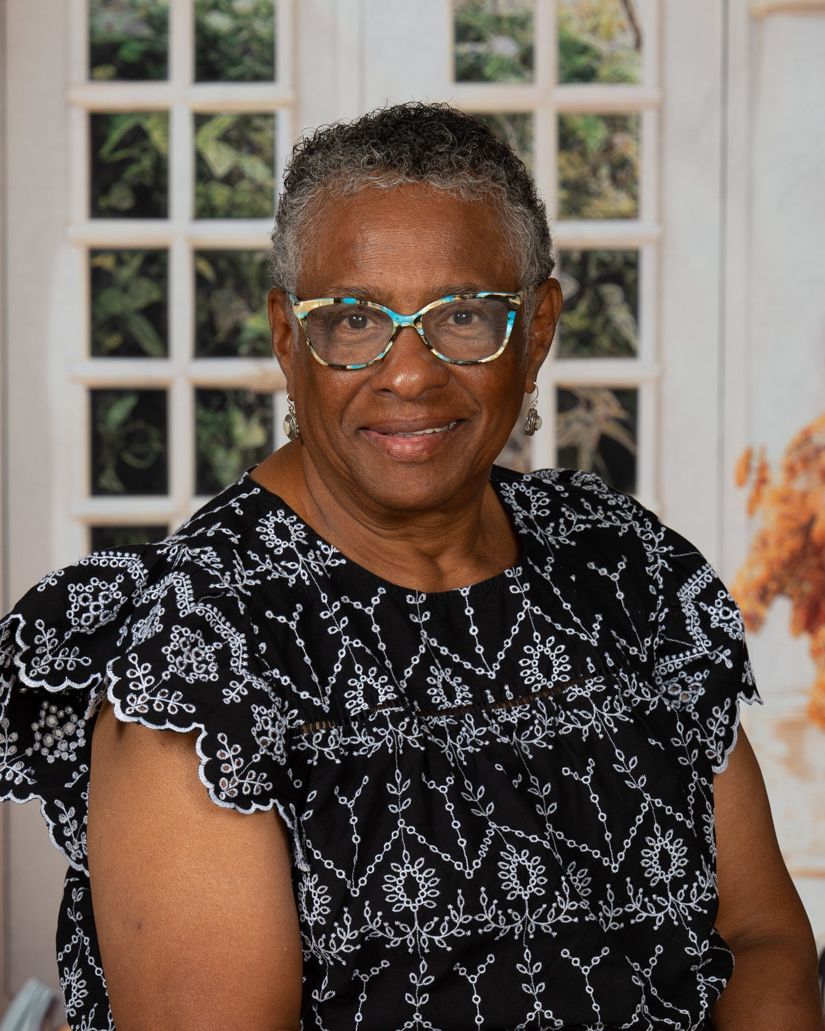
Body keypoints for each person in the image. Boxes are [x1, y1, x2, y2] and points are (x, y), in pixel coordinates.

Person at [0, 102, 822, 1031]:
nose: (409, 373)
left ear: (537, 326)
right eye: (352, 320)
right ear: (286, 336)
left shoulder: (624, 571)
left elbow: (758, 936)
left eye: (463, 316)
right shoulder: (197, 649)